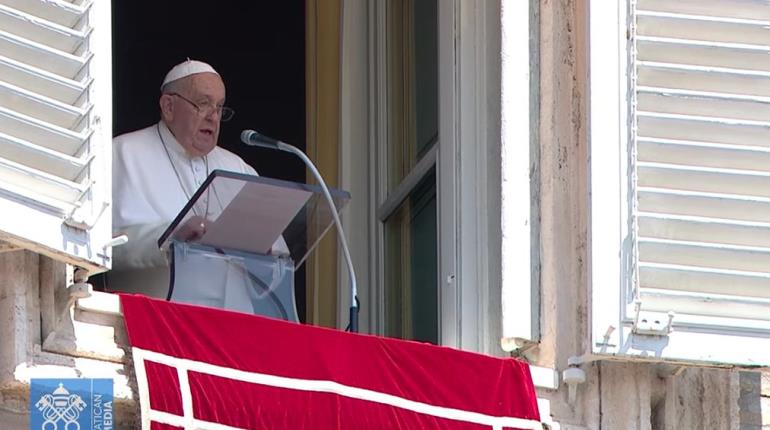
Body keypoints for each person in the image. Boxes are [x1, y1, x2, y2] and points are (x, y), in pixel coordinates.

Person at [109, 60, 293, 317]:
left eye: (219, 107)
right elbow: (102, 250)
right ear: (168, 106)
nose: (214, 116)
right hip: (155, 322)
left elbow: (279, 265)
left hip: (233, 328)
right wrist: (170, 238)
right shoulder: (122, 154)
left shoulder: (239, 169)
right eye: (203, 104)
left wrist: (264, 258)